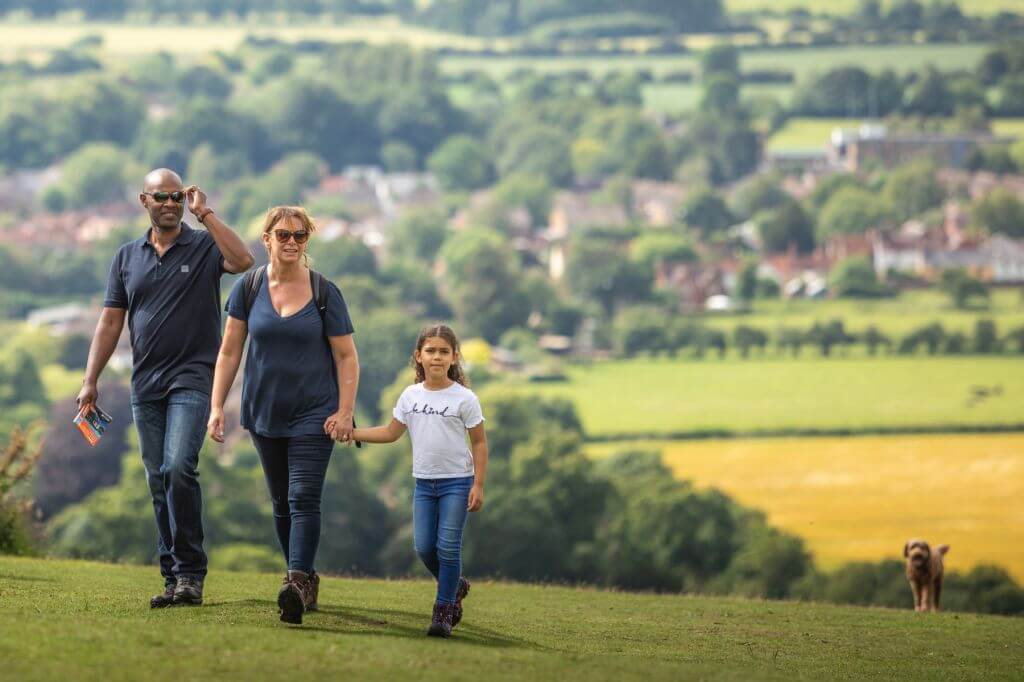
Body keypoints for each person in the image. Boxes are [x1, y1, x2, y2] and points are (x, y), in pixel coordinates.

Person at [77, 169, 255, 608]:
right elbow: (111, 321)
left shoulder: (202, 244)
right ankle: (172, 577)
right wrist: (90, 380)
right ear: (145, 201)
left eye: (177, 196)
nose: (171, 203)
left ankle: (192, 572)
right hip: (145, 384)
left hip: (193, 378)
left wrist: (206, 213)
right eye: (162, 197)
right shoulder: (126, 257)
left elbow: (243, 261)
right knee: (157, 479)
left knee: (178, 467)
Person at [208, 206, 359, 625]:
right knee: (280, 503)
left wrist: (345, 411)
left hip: (316, 413)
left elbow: (347, 357)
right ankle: (305, 578)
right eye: (283, 235)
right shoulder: (248, 287)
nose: (291, 241)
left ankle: (293, 581)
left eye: (299, 235)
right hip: (264, 411)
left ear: (306, 241)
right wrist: (217, 405)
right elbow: (229, 351)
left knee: (302, 497)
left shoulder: (325, 292)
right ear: (267, 239)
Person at [345, 323, 488, 638]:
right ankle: (456, 585)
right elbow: (391, 432)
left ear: (454, 357)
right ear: (418, 356)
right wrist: (352, 432)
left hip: (457, 483)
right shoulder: (410, 395)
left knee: (448, 548)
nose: (436, 357)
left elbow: (479, 443)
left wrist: (478, 485)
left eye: (443, 352)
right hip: (424, 484)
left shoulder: (465, 398)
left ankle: (443, 611)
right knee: (424, 547)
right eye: (430, 351)